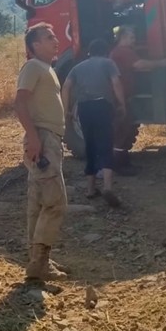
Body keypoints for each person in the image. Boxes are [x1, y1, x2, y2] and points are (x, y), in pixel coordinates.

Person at [14, 22, 69, 289]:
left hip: (47, 138)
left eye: (54, 36)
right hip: (43, 139)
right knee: (55, 202)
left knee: (38, 202)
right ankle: (39, 264)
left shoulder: (47, 68)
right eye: (49, 37)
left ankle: (37, 263)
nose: (56, 40)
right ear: (35, 45)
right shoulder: (34, 66)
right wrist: (35, 138)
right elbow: (20, 101)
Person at [61, 38, 124, 207]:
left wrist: (66, 110)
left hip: (84, 108)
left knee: (90, 146)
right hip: (102, 105)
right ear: (106, 51)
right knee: (106, 144)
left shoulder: (78, 67)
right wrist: (122, 103)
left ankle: (90, 189)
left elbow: (66, 87)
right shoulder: (108, 63)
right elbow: (116, 83)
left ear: (89, 52)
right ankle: (108, 187)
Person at [108, 25, 166, 174]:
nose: (134, 40)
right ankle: (119, 165)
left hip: (123, 96)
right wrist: (162, 63)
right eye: (131, 37)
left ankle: (124, 163)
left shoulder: (119, 52)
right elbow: (139, 65)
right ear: (123, 37)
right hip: (120, 98)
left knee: (126, 129)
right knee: (122, 130)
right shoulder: (123, 52)